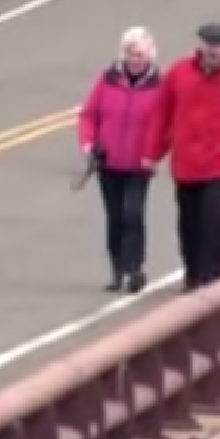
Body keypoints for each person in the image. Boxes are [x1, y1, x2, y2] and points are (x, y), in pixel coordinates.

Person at [141, 22, 220, 292]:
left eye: (218, 45)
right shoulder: (178, 73)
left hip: (218, 166)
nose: (213, 50)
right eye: (208, 45)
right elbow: (161, 116)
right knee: (188, 222)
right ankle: (192, 272)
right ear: (200, 45)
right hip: (185, 165)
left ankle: (212, 273)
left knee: (213, 218)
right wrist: (151, 155)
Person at [78, 27, 162, 293]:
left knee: (133, 214)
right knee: (114, 217)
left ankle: (135, 268)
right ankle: (117, 270)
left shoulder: (160, 86)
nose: (134, 59)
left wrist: (154, 153)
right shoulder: (107, 80)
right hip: (109, 163)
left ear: (149, 55)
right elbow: (89, 115)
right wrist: (89, 144)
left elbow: (166, 125)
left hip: (140, 165)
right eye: (130, 53)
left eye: (139, 54)